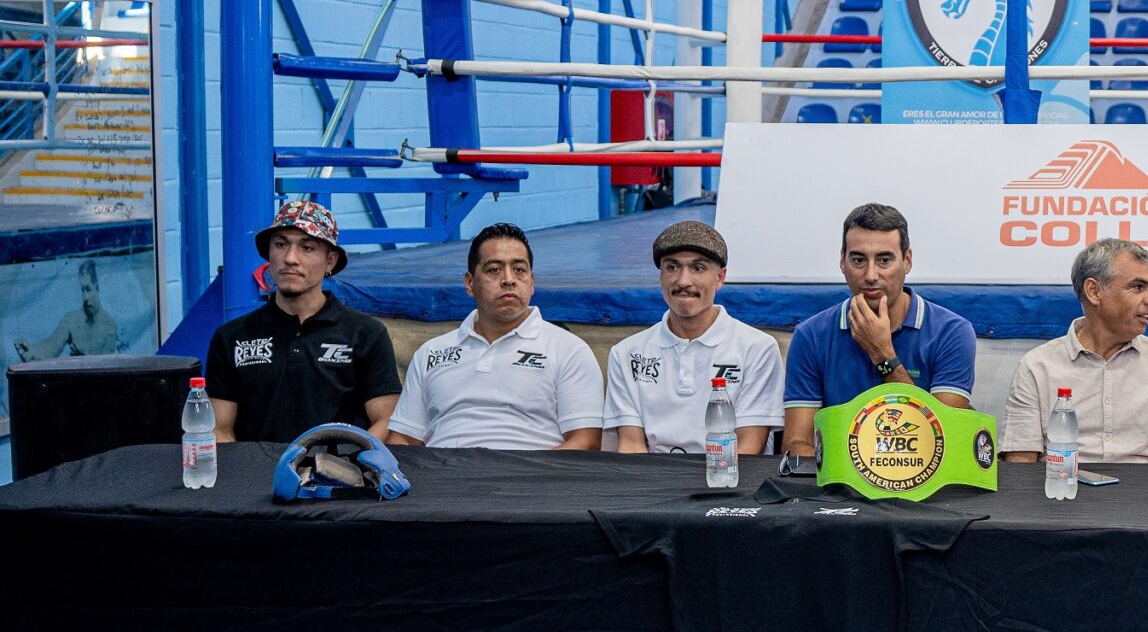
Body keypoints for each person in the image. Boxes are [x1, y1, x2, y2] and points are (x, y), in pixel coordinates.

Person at [384, 222, 604, 450]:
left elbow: (585, 442)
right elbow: (403, 440)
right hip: (444, 478)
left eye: (519, 269)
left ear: (532, 282)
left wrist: (529, 480)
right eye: (494, 270)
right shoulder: (430, 353)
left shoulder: (568, 349)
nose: (509, 279)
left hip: (533, 479)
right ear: (469, 283)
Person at [781, 202, 977, 458]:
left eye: (884, 260)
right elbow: (796, 444)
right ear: (842, 261)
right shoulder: (811, 335)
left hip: (923, 486)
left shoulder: (952, 332)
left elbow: (945, 441)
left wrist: (883, 355)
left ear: (907, 261)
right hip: (838, 486)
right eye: (858, 260)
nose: (871, 274)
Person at [204, 200, 400, 443]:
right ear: (268, 254)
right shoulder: (231, 337)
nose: (290, 258)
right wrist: (244, 478)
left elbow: (385, 421)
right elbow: (220, 430)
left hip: (339, 477)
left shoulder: (366, 334)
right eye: (280, 244)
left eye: (307, 248)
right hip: (255, 477)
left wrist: (348, 469)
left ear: (330, 261)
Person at [998, 237, 1148, 464]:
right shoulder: (1037, 366)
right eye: (1138, 287)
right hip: (1060, 491)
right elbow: (1021, 465)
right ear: (1094, 292)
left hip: (1146, 495)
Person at [603, 219, 783, 455]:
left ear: (720, 277)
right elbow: (631, 445)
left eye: (698, 268)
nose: (683, 281)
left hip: (728, 483)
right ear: (660, 276)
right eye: (672, 267)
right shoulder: (625, 353)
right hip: (653, 485)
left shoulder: (757, 349)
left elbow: (749, 447)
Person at [16, 257, 119, 360]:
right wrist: (32, 352)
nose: (85, 297)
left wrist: (80, 357)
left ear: (97, 288)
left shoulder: (110, 324)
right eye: (82, 290)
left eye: (88, 289)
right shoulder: (71, 319)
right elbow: (52, 346)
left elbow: (105, 366)